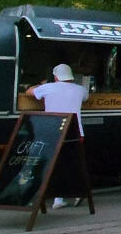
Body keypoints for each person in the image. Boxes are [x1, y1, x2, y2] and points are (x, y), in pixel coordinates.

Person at [25, 63, 89, 209]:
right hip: (75, 130)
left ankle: (58, 199)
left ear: (55, 76)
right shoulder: (81, 90)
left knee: (52, 164)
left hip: (53, 130)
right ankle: (78, 192)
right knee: (73, 163)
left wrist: (39, 85)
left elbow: (29, 92)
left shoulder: (48, 88)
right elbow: (86, 98)